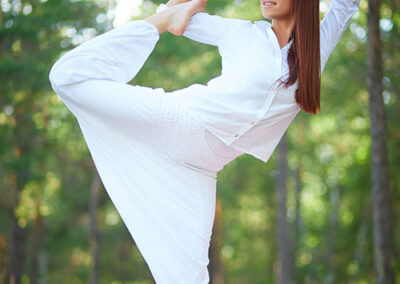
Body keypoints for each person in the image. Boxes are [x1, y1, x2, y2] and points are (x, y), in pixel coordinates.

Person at [48, 0, 360, 282]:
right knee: (66, 77)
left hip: (198, 170)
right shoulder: (241, 33)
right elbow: (183, 22)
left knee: (187, 276)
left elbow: (346, 5)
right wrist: (174, 12)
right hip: (171, 119)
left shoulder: (318, 44)